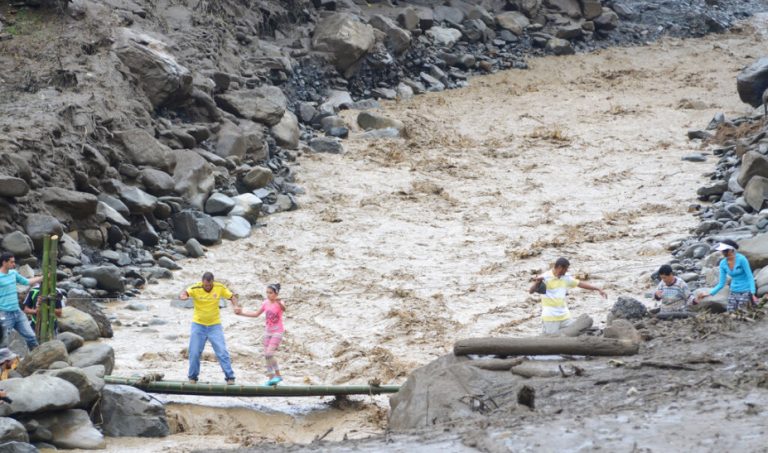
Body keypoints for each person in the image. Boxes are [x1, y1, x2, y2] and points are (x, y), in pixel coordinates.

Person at [179, 272, 240, 384]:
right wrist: (183, 297)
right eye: (205, 285)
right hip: (198, 325)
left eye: (209, 285)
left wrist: (236, 306)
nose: (207, 287)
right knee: (194, 352)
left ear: (212, 282)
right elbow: (185, 293)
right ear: (202, 282)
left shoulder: (219, 287)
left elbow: (232, 297)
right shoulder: (195, 287)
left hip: (214, 325)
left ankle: (230, 377)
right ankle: (192, 377)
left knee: (222, 351)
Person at [529, 257, 607, 335]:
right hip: (550, 317)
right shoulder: (545, 277)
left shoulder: (566, 277)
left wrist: (597, 288)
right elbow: (531, 291)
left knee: (577, 331)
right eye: (565, 269)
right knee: (550, 340)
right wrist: (537, 283)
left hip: (565, 317)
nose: (566, 271)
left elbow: (580, 284)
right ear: (560, 268)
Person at [235, 283, 285, 386]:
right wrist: (242, 313)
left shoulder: (279, 302)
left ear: (276, 293)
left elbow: (284, 309)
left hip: (277, 331)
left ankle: (278, 375)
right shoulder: (265, 303)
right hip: (268, 331)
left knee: (269, 354)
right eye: (267, 292)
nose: (268, 295)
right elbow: (256, 314)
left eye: (270, 293)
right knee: (266, 356)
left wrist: (279, 303)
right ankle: (271, 379)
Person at [697, 240, 757, 312]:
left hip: (746, 290)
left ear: (731, 250)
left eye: (725, 250)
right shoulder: (723, 263)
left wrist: (752, 293)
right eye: (722, 250)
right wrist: (709, 293)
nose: (723, 252)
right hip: (733, 291)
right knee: (730, 312)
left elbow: (750, 276)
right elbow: (721, 283)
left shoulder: (742, 259)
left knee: (742, 311)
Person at [0, 253, 42, 350]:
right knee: (3, 342)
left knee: (31, 336)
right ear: (4, 262)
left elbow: (26, 282)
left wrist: (41, 278)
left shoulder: (13, 273)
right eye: (12, 262)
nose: (14, 264)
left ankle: (37, 358)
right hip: (4, 314)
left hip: (18, 312)